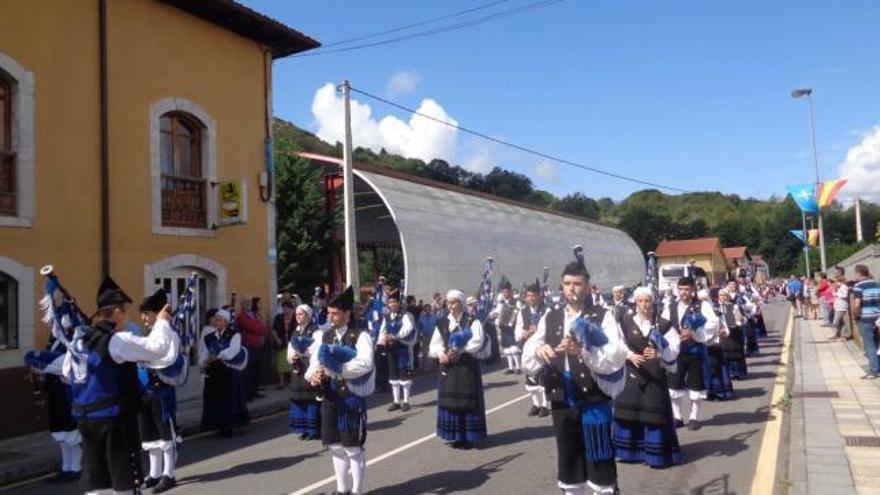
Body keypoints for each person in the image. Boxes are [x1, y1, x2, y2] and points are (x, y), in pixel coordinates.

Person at [63, 277, 178, 494]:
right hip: (114, 420)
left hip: (87, 420)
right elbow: (157, 348)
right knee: (124, 481)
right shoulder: (116, 341)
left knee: (95, 482)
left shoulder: (80, 340)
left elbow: (67, 373)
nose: (127, 316)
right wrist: (163, 321)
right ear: (116, 312)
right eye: (124, 311)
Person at [522, 260, 628, 495]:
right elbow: (529, 354)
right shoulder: (550, 317)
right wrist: (539, 352)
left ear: (588, 286)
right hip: (562, 398)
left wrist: (581, 351)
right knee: (569, 460)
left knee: (599, 461)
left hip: (593, 399)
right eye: (567, 283)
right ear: (561, 286)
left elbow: (616, 356)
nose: (571, 288)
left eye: (577, 283)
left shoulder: (602, 316)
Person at [305, 286, 375, 495]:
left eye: (334, 313)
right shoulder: (324, 336)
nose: (330, 316)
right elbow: (314, 363)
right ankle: (342, 489)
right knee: (334, 446)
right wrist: (312, 375)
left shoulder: (360, 336)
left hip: (351, 397)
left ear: (346, 314)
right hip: (330, 396)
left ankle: (357, 491)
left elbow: (365, 364)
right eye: (329, 312)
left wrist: (339, 369)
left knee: (352, 448)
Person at [614, 287, 682, 468]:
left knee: (654, 413)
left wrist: (660, 352)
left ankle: (656, 455)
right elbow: (617, 342)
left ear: (653, 303)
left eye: (647, 301)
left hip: (654, 376)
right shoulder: (625, 322)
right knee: (630, 412)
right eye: (640, 301)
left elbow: (674, 349)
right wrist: (628, 355)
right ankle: (630, 452)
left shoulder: (663, 324)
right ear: (635, 303)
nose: (644, 305)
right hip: (631, 373)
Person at [24, 305, 81, 484]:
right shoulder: (53, 340)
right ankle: (66, 467)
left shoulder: (73, 340)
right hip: (55, 391)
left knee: (71, 431)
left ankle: (76, 467)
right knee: (60, 432)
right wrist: (37, 371)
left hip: (68, 391)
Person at [429, 289, 488, 449]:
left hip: (467, 366)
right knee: (450, 401)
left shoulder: (472, 321)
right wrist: (441, 353)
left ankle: (468, 436)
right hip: (448, 367)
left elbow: (477, 342)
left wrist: (460, 350)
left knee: (466, 400)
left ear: (461, 303)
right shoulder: (442, 322)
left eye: (453, 302)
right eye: (448, 302)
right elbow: (434, 344)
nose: (450, 305)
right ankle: (454, 435)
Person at [136, 289, 182, 493]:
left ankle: (169, 474)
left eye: (147, 313)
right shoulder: (149, 334)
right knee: (149, 435)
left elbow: (169, 358)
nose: (144, 318)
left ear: (157, 313)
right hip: (145, 392)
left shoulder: (169, 334)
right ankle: (154, 474)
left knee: (165, 433)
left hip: (161, 390)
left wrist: (144, 358)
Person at [662, 276, 719, 430]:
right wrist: (671, 337)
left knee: (696, 384)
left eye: (687, 289)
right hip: (676, 351)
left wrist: (694, 333)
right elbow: (664, 325)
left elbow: (713, 323)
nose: (683, 293)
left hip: (695, 350)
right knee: (674, 384)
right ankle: (678, 417)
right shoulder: (670, 306)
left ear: (693, 290)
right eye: (681, 289)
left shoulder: (702, 305)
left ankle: (694, 417)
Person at [199, 308, 250, 435]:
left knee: (228, 398)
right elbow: (205, 352)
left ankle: (230, 425)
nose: (217, 322)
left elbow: (233, 350)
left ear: (226, 322)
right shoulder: (209, 337)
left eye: (220, 320)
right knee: (214, 398)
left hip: (228, 370)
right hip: (213, 371)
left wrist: (219, 355)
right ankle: (217, 425)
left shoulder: (234, 334)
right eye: (216, 320)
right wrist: (203, 361)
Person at [287, 304, 321, 440]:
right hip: (298, 367)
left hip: (310, 365)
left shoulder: (316, 331)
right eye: (296, 315)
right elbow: (290, 348)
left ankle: (314, 429)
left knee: (311, 398)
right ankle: (303, 428)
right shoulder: (295, 332)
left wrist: (303, 351)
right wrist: (292, 356)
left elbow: (317, 348)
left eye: (301, 314)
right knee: (299, 397)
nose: (298, 317)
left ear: (308, 315)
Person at [379, 289, 417, 412]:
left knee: (404, 375)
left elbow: (408, 328)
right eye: (390, 303)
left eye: (394, 302)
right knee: (393, 374)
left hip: (402, 348)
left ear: (399, 303)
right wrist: (381, 341)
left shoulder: (405, 315)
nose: (392, 304)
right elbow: (383, 330)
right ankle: (396, 401)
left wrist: (395, 336)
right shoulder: (387, 316)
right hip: (391, 349)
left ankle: (406, 401)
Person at [516, 281, 549, 417]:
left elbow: (550, 329)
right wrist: (522, 333)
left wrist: (538, 332)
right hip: (527, 349)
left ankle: (545, 406)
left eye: (533, 295)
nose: (531, 298)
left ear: (539, 296)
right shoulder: (522, 312)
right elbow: (517, 330)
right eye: (528, 296)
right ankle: (536, 404)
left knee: (542, 379)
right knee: (530, 379)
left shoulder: (547, 310)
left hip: (542, 348)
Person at [237, 297, 269, 401]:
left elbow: (264, 328)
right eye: (246, 302)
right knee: (248, 371)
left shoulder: (254, 315)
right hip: (248, 346)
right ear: (242, 304)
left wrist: (260, 328)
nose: (248, 304)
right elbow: (253, 327)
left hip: (257, 346)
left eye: (249, 302)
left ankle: (254, 391)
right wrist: (260, 327)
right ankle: (247, 394)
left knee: (256, 370)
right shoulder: (241, 317)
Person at [851, 265, 880, 379]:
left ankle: (873, 371)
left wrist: (855, 316)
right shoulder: (877, 284)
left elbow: (857, 304)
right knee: (877, 344)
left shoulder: (858, 286)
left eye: (855, 273)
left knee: (869, 345)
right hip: (877, 318)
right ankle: (877, 367)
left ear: (858, 273)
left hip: (865, 318)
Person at [492, 279, 522, 375]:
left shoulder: (516, 301)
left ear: (510, 291)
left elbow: (518, 312)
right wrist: (494, 314)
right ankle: (510, 367)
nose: (505, 293)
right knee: (507, 349)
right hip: (503, 326)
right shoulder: (501, 302)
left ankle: (518, 367)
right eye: (503, 291)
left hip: (512, 327)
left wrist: (512, 321)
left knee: (514, 348)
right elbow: (498, 311)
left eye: (506, 291)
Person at [718, 287, 748, 380]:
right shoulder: (716, 307)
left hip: (734, 333)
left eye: (724, 295)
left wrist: (741, 320)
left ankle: (737, 373)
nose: (722, 297)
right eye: (721, 295)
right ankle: (728, 373)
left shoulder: (733, 306)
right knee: (725, 355)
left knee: (735, 354)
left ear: (727, 296)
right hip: (722, 335)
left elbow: (742, 319)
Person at [273, 301, 296, 388]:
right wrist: (277, 339)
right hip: (281, 343)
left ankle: (292, 381)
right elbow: (274, 329)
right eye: (283, 308)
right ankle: (281, 383)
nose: (285, 310)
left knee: (292, 363)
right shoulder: (279, 317)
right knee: (281, 363)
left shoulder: (295, 318)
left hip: (292, 344)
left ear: (291, 309)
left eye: (286, 308)